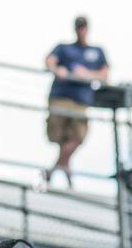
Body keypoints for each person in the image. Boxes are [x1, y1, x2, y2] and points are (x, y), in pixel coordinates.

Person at [40, 15, 109, 190]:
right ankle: (64, 168)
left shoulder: (97, 52)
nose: (81, 30)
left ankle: (53, 170)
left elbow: (104, 75)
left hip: (81, 101)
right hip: (60, 98)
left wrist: (86, 74)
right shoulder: (64, 48)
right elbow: (49, 62)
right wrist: (58, 69)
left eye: (84, 27)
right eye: (79, 27)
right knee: (62, 137)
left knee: (78, 137)